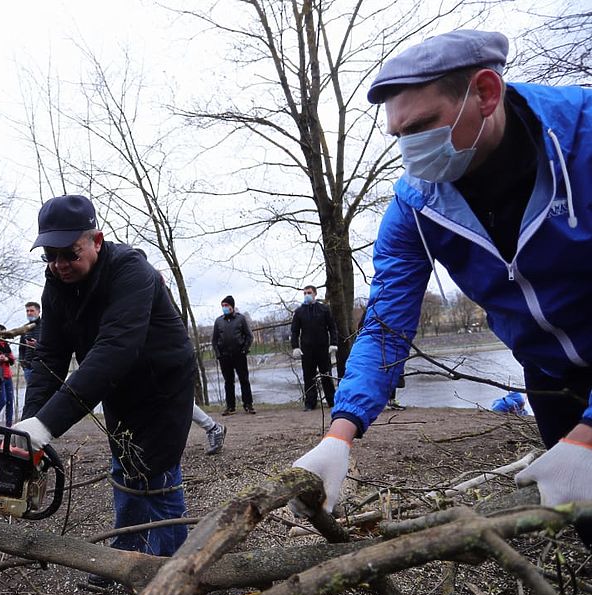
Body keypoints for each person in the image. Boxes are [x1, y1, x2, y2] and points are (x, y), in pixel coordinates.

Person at [290, 31, 592, 543]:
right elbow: (386, 323)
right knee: (582, 511)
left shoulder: (581, 141)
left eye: (423, 125)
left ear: (486, 92)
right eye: (399, 134)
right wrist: (340, 433)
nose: (411, 149)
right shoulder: (416, 206)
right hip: (548, 373)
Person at [14, 194, 196, 574]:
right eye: (51, 255)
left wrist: (49, 424)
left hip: (161, 386)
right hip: (117, 385)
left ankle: (173, 576)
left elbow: (115, 349)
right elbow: (49, 357)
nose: (60, 264)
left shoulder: (132, 273)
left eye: (70, 253)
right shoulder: (57, 285)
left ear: (96, 241)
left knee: (157, 476)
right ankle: (123, 561)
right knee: (123, 466)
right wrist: (28, 427)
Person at [290, 285, 339, 411]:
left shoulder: (324, 309)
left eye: (309, 292)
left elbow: (332, 327)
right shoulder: (299, 312)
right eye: (305, 293)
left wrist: (333, 343)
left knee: (326, 375)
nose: (307, 295)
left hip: (323, 348)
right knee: (308, 377)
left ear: (315, 294)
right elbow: (294, 331)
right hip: (307, 350)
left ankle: (332, 401)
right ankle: (310, 403)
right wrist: (295, 347)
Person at [211, 295, 254, 415]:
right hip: (224, 356)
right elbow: (214, 340)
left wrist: (244, 349)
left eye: (227, 305)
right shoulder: (218, 321)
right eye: (223, 306)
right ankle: (230, 406)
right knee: (228, 381)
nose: (224, 308)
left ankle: (248, 404)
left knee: (244, 380)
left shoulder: (241, 319)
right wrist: (218, 354)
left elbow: (249, 336)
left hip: (239, 354)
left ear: (232, 306)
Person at [19, 301, 42, 384]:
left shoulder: (45, 326)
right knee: (31, 394)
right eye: (27, 311)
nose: (29, 313)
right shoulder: (24, 328)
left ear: (38, 311)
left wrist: (37, 344)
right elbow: (21, 348)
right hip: (28, 368)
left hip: (42, 367)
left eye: (31, 311)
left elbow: (51, 345)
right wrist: (22, 363)